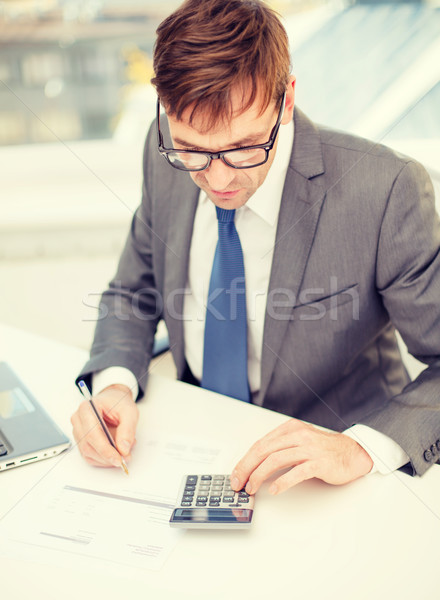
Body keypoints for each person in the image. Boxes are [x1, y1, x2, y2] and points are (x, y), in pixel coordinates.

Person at [71, 0, 440, 496]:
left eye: (244, 147)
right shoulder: (161, 152)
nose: (217, 179)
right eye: (194, 150)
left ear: (286, 100)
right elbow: (133, 292)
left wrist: (361, 448)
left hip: (335, 473)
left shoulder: (385, 190)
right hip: (195, 443)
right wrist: (114, 383)